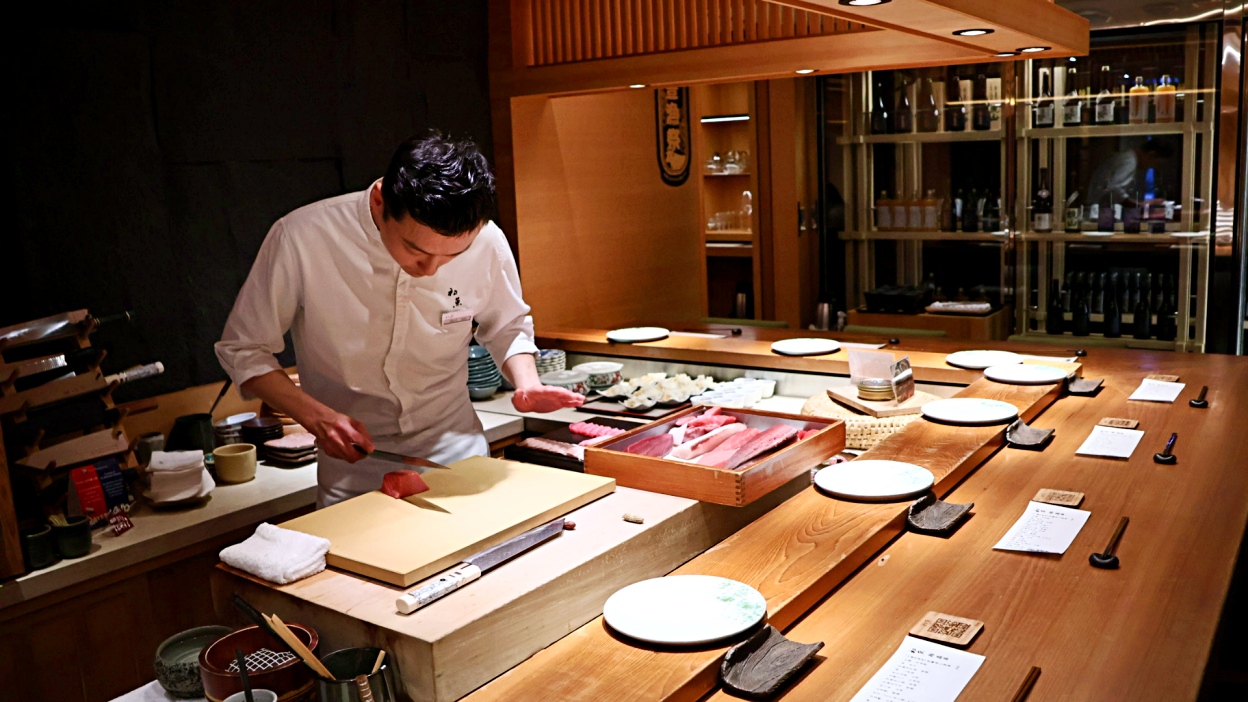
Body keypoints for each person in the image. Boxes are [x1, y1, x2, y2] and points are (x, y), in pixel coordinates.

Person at [216, 133, 583, 507]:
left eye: (453, 256)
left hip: (458, 458)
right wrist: (316, 418)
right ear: (380, 201)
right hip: (353, 467)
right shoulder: (302, 237)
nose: (431, 269)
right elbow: (245, 349)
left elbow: (506, 324)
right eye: (414, 249)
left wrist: (527, 382)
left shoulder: (487, 239)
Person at [1086, 137, 1174, 208]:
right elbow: (1116, 190)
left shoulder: (1128, 157)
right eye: (1157, 164)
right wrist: (1140, 205)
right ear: (1151, 155)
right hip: (1098, 212)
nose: (1154, 168)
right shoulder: (1130, 161)